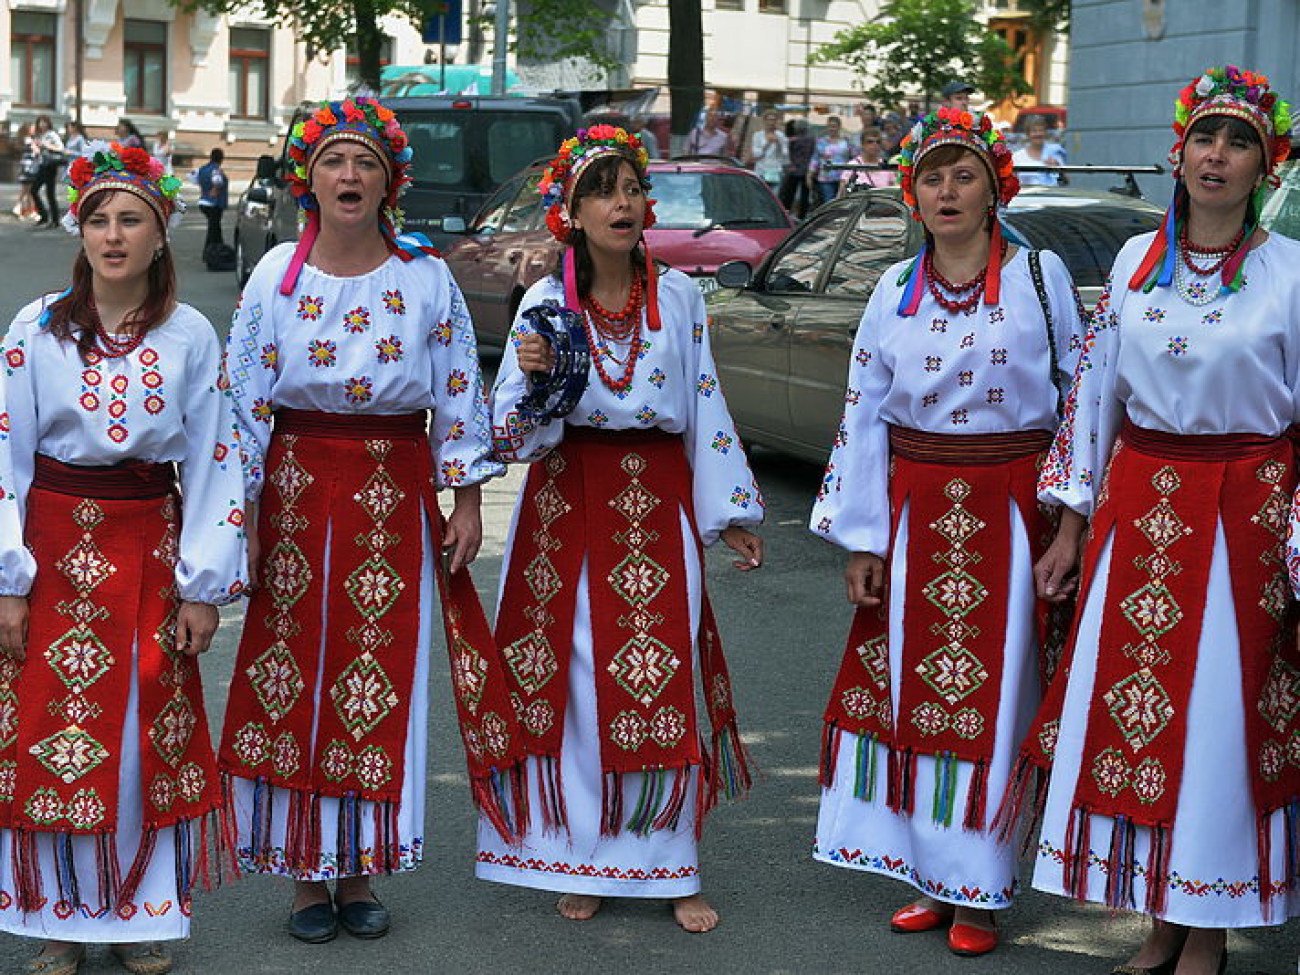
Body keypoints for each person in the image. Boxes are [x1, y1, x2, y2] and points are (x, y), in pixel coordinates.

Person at [1011, 65, 1300, 974]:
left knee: (1217, 714)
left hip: (1244, 518)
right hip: (1142, 511)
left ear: (1267, 163)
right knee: (1139, 714)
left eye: (1239, 141)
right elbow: (1093, 397)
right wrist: (1068, 525)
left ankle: (1205, 925)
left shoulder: (1292, 273)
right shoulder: (1139, 262)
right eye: (1205, 137)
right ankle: (1158, 917)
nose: (1217, 156)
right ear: (1179, 152)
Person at [217, 97, 512, 946]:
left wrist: (463, 499)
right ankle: (306, 874)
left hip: (393, 489)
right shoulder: (276, 273)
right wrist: (245, 515)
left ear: (390, 180)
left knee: (378, 675)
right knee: (295, 677)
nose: (350, 176)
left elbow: (459, 388)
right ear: (309, 177)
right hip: (298, 488)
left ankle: (360, 867)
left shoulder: (426, 276)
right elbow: (242, 407)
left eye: (367, 163)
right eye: (336, 161)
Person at [810, 107, 1084, 958]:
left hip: (1010, 509)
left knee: (997, 697)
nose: (948, 190)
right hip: (914, 509)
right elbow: (862, 420)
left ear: (995, 183)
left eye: (964, 173)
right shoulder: (894, 290)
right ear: (912, 194)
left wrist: (1069, 523)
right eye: (932, 177)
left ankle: (983, 890)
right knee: (911, 696)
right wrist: (862, 539)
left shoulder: (1042, 276)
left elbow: (1084, 401)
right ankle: (932, 877)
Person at [477, 125, 764, 934]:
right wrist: (533, 382)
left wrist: (731, 512)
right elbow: (509, 427)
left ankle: (673, 865)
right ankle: (587, 854)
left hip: (655, 500)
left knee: (658, 676)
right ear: (570, 210)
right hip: (567, 498)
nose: (624, 203)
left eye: (633, 188)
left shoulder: (676, 296)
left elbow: (704, 404)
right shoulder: (544, 301)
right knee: (572, 684)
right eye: (603, 189)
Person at [0, 141, 247, 975]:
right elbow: (7, 453)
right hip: (53, 542)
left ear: (160, 231)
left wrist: (204, 585)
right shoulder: (35, 325)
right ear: (80, 229)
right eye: (99, 219)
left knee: (146, 730)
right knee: (49, 728)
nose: (112, 235)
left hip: (148, 540)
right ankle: (58, 917)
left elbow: (217, 458)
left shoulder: (189, 333)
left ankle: (141, 917)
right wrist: (8, 577)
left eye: (130, 219)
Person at [808, 115, 853, 206]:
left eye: (834, 126)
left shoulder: (846, 141)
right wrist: (810, 174)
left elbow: (853, 157)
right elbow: (815, 159)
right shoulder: (821, 142)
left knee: (844, 202)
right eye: (830, 126)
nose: (832, 129)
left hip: (844, 177)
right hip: (826, 177)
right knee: (829, 203)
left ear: (839, 127)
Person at [30, 115, 65, 229]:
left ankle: (55, 220)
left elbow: (60, 148)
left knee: (50, 193)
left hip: (50, 166)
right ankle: (44, 216)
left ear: (48, 123)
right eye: (40, 122)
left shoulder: (52, 134)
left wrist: (46, 145)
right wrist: (37, 149)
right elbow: (41, 150)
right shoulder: (41, 135)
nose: (42, 124)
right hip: (42, 165)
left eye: (44, 122)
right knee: (34, 190)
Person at [838, 126, 895, 194]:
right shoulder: (852, 165)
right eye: (870, 142)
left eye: (878, 142)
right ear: (862, 144)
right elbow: (841, 194)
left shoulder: (886, 166)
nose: (874, 145)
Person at [1013, 118, 1067, 186]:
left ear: (1045, 133)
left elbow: (1065, 182)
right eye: (1034, 131)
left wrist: (1058, 169)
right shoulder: (1017, 156)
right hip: (1025, 195)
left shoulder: (1055, 151)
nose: (1038, 134)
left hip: (1051, 195)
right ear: (1028, 134)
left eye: (1041, 130)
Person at [780, 118, 814, 218]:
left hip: (794, 169)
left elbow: (789, 155)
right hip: (806, 169)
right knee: (805, 194)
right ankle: (802, 215)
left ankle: (786, 212)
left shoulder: (793, 140)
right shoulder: (812, 139)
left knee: (789, 193)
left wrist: (791, 165)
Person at [746, 109, 789, 189]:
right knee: (759, 197)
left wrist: (779, 143)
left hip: (775, 171)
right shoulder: (757, 135)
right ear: (764, 121)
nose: (771, 123)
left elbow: (784, 155)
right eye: (769, 120)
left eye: (774, 120)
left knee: (773, 197)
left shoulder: (781, 136)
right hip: (761, 170)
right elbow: (756, 155)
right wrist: (767, 144)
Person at [195, 148, 228, 250]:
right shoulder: (216, 170)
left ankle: (218, 248)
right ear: (221, 159)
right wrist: (215, 189)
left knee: (215, 228)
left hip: (203, 201)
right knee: (213, 229)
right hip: (214, 203)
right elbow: (218, 182)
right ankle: (211, 251)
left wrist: (204, 188)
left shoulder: (203, 169)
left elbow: (192, 177)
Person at [15, 125, 41, 223]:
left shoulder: (26, 139)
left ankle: (30, 211)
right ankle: (19, 208)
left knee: (29, 191)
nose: (34, 130)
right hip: (29, 168)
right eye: (32, 128)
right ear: (27, 130)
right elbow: (36, 151)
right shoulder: (28, 140)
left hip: (28, 167)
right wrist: (37, 146)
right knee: (27, 190)